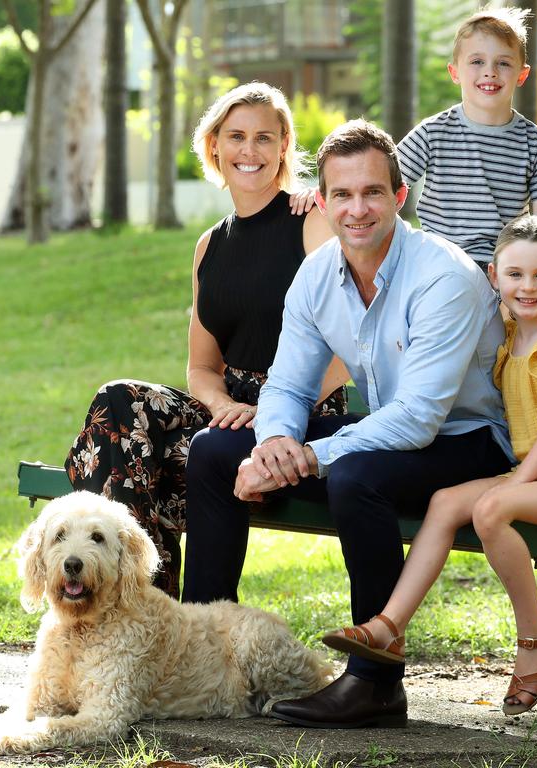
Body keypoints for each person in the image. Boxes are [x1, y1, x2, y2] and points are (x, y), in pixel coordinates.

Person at [181, 119, 514, 729]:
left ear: (399, 197)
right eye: (342, 194)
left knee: (355, 475)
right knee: (211, 451)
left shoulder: (444, 278)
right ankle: (198, 658)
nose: (356, 209)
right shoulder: (318, 273)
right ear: (324, 200)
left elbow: (418, 419)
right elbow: (288, 383)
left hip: (469, 443)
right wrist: (277, 439)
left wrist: (308, 456)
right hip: (393, 437)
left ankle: (375, 685)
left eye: (372, 193)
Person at [322, 214, 537, 716]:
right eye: (515, 275)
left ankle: (536, 636)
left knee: (489, 510)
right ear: (493, 277)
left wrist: (515, 482)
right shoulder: (502, 332)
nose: (527, 287)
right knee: (445, 502)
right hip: (532, 478)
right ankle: (387, 629)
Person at [64, 83, 348, 600]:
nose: (249, 150)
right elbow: (201, 368)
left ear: (284, 146)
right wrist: (222, 405)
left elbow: (353, 348)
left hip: (307, 405)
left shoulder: (312, 222)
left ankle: (155, 614)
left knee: (146, 455)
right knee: (116, 402)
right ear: (214, 144)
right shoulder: (208, 246)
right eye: (236, 136)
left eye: (265, 137)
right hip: (229, 411)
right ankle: (142, 603)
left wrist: (276, 409)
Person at [399, 7, 537, 269]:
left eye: (504, 63)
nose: (490, 72)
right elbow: (381, 184)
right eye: (477, 61)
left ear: (522, 74)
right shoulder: (431, 134)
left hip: (504, 269)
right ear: (455, 72)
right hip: (439, 265)